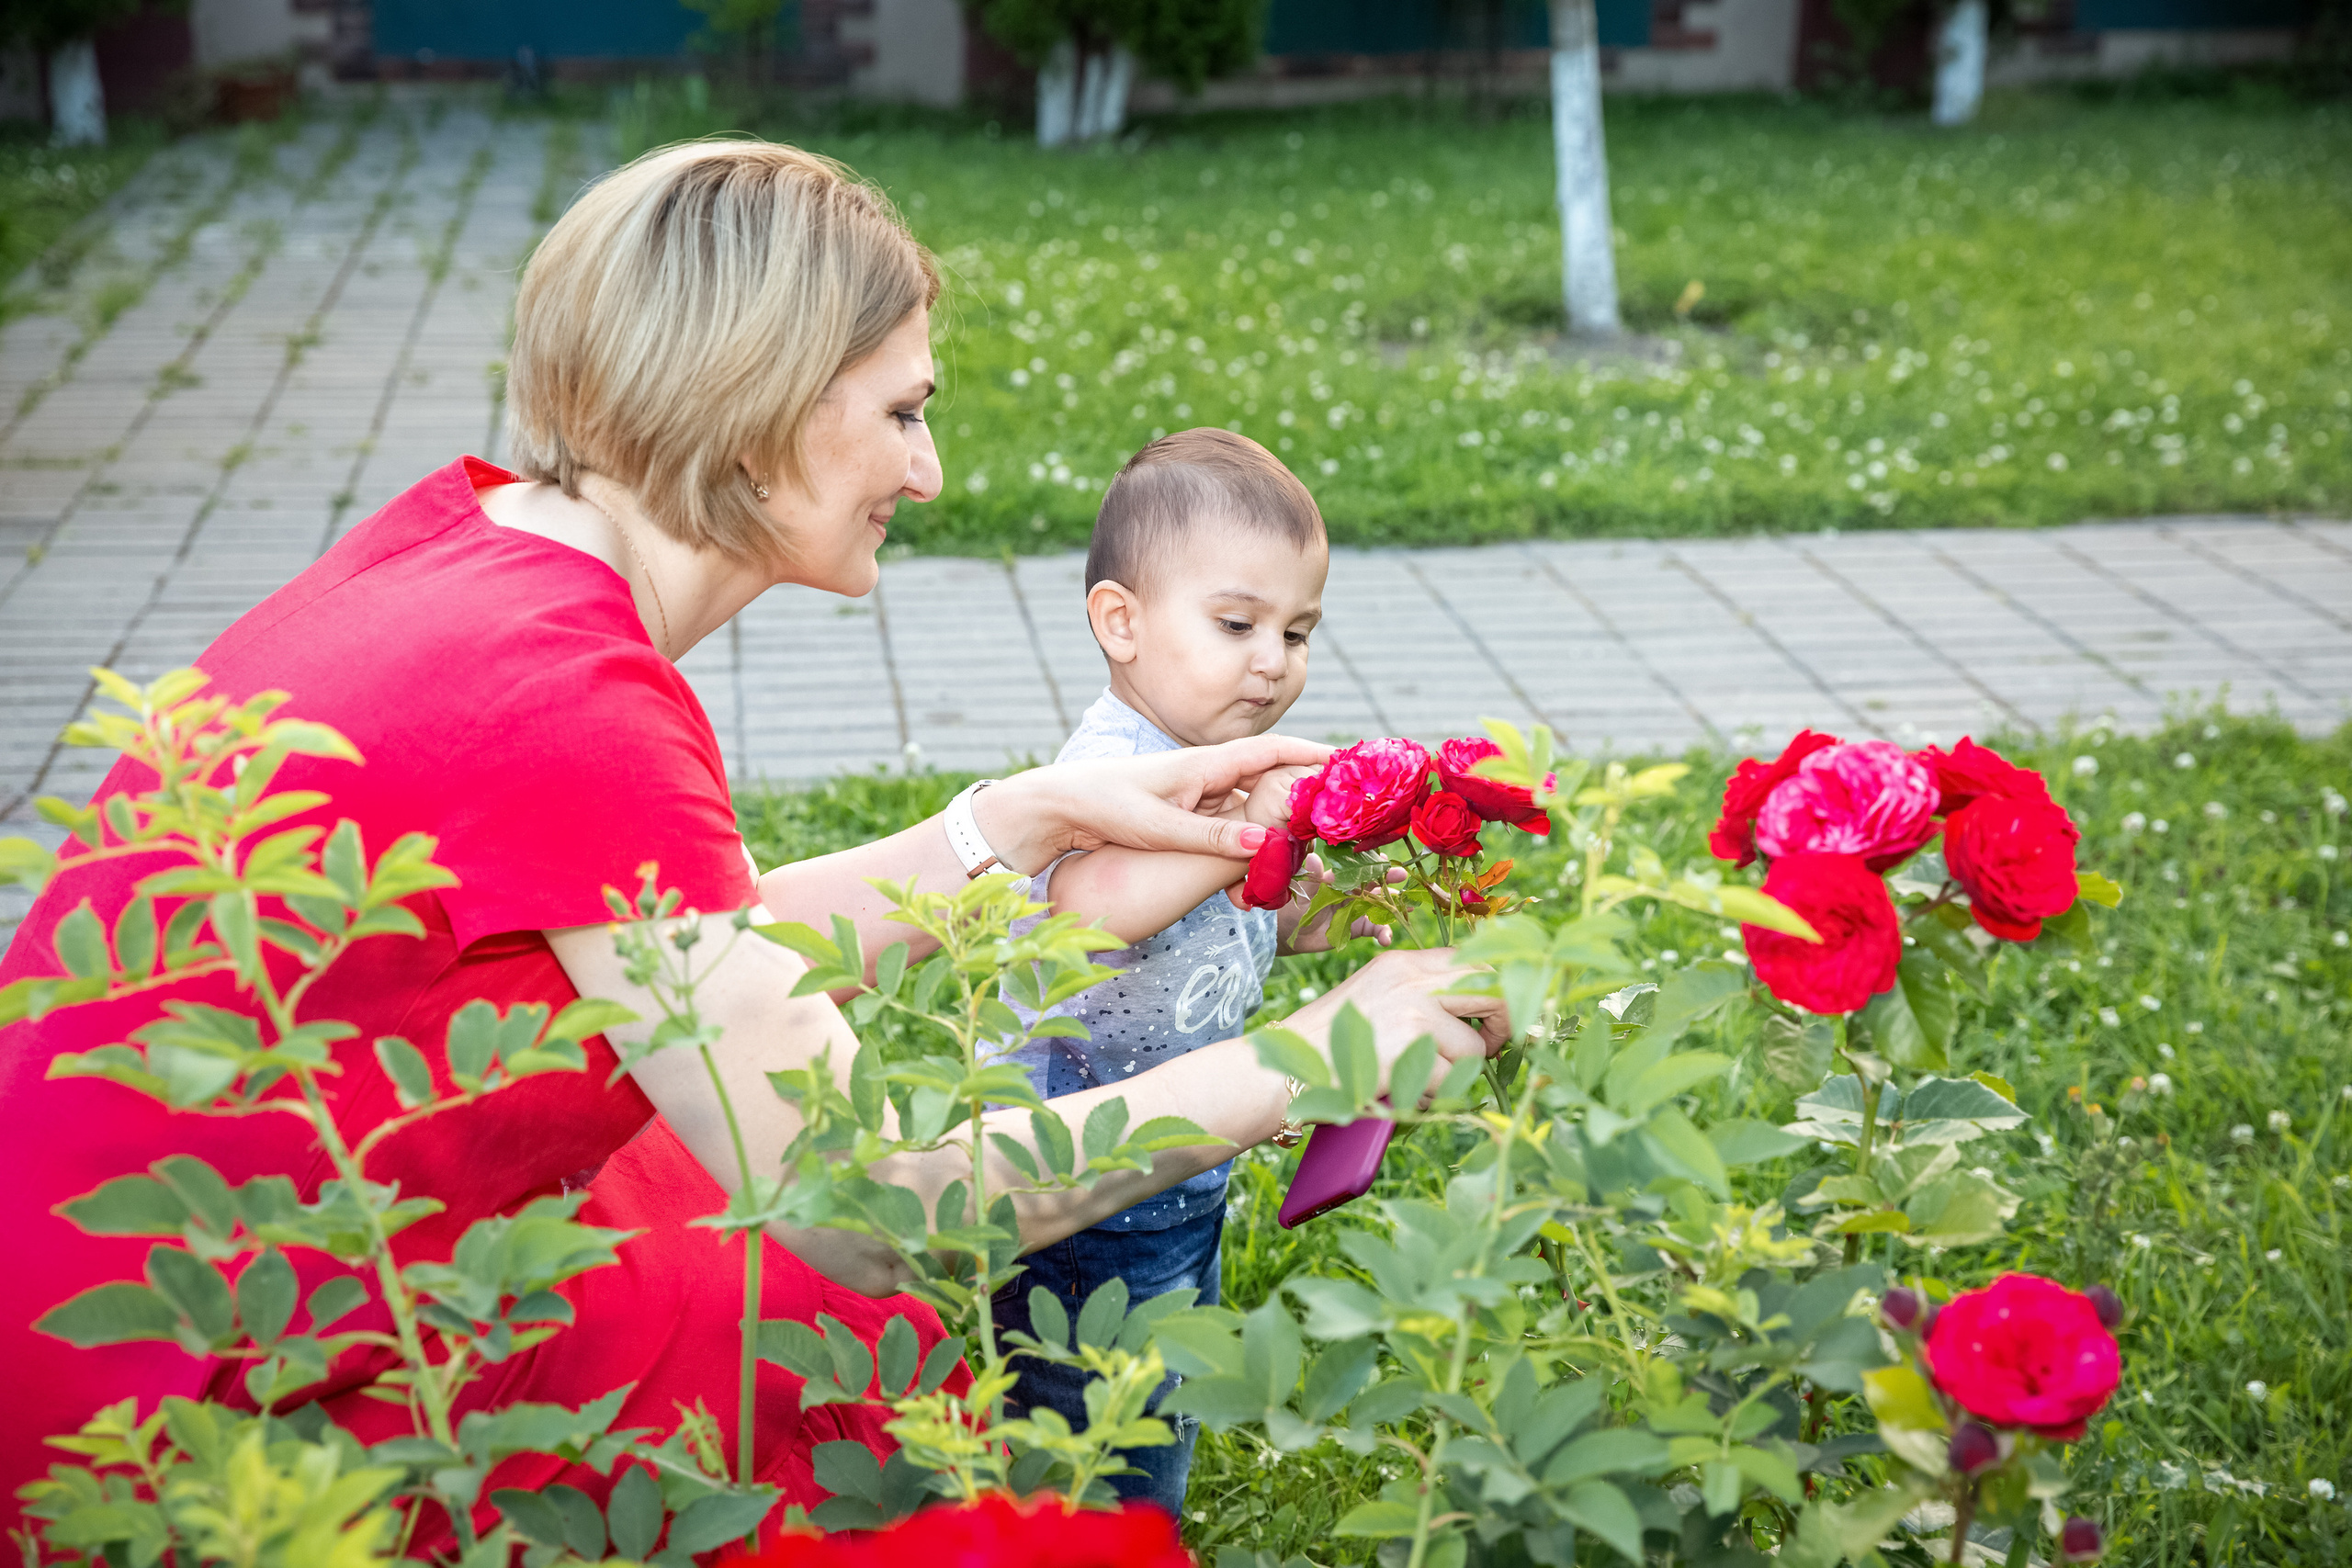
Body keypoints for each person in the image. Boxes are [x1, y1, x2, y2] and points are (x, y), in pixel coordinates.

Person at [0, 141, 1510, 1546]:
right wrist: (1312, 1056)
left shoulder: (482, 543)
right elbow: (874, 1217)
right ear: (768, 401)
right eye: (906, 412)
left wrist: (1012, 825)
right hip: (185, 1426)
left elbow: (661, 950)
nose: (928, 473)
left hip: (143, 1290)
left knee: (784, 1312)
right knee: (840, 1336)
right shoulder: (574, 701)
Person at [989, 428, 1372, 1513]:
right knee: (1103, 1439)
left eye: (1298, 632)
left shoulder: (1228, 782)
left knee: (1163, 1387)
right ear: (1121, 623)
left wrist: (1363, 909)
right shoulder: (1107, 770)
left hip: (1174, 1169)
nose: (1274, 660)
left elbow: (1269, 915)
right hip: (1075, 1191)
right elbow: (1087, 914)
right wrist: (1245, 834)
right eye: (1237, 624)